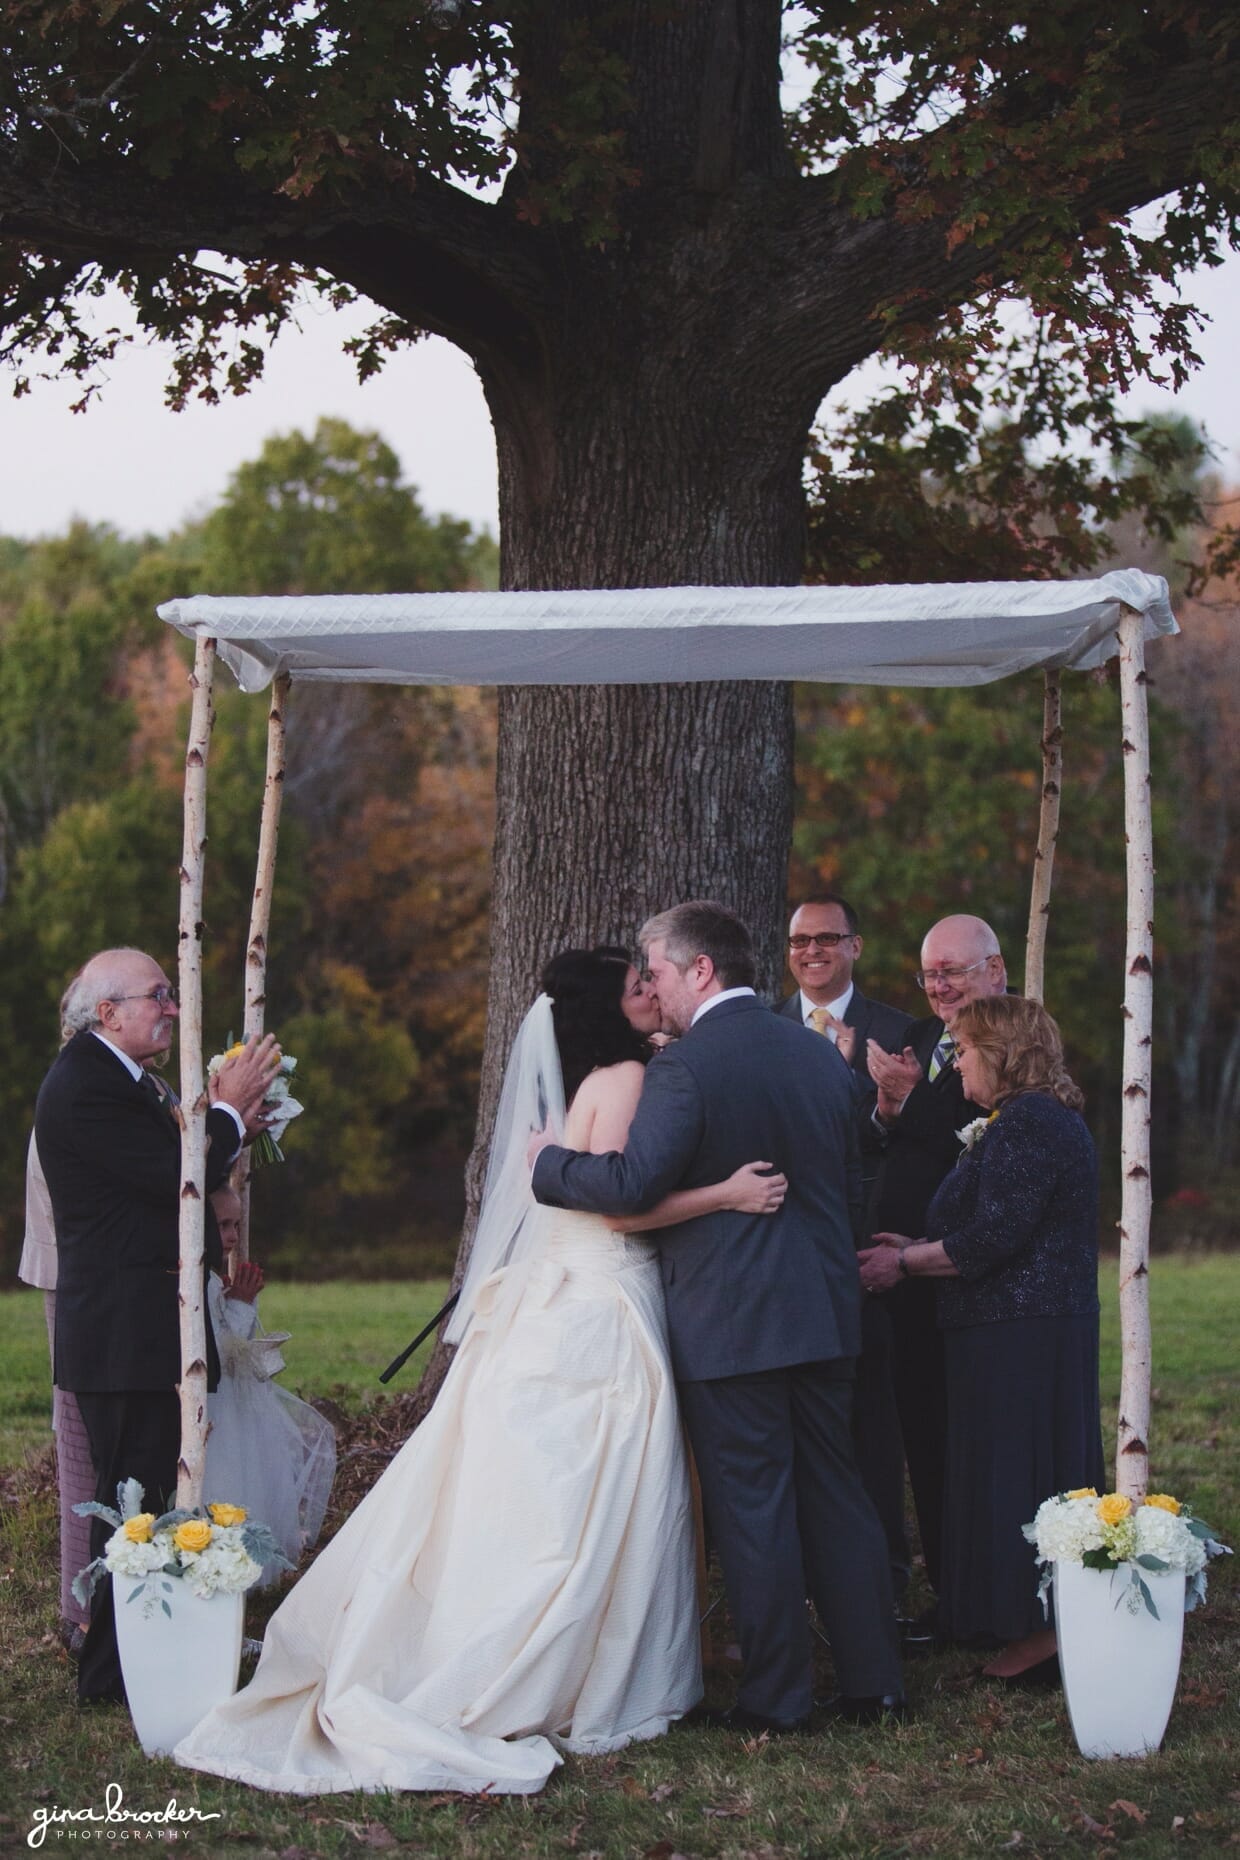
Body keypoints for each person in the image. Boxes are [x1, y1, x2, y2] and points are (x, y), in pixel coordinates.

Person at [175, 946, 787, 1794]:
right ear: (607, 1009)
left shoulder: (589, 1080)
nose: (650, 992)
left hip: (553, 1296)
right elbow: (615, 1213)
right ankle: (566, 1663)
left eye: (652, 980)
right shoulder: (626, 1079)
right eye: (635, 985)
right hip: (602, 1301)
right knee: (594, 1488)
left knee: (528, 1489)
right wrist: (725, 1195)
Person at [533, 902, 904, 1734]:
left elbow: (630, 1186)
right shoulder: (817, 1057)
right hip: (823, 1309)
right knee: (838, 1495)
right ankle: (877, 1684)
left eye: (658, 972)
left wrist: (551, 1164)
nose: (652, 989)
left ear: (701, 970)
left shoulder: (686, 1067)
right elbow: (848, 1181)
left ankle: (778, 1701)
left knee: (755, 1506)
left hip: (733, 1320)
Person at [34, 946, 280, 1705]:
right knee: (129, 1507)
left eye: (172, 995)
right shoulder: (86, 1086)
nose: (172, 1007)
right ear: (107, 1012)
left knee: (144, 1506)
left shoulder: (126, 1080)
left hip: (146, 1330)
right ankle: (107, 1680)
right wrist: (231, 1107)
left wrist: (223, 1112)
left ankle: (134, 1661)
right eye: (159, 995)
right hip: (125, 1335)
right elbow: (178, 1172)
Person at [859, 995, 1104, 1683]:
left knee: (1022, 1476)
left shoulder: (1031, 1124)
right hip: (1004, 1329)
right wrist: (916, 1242)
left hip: (1023, 1336)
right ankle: (1015, 1621)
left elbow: (994, 1240)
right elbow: (996, 1227)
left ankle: (1044, 1635)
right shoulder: (1014, 1121)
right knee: (1004, 1473)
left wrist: (905, 1262)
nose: (956, 1062)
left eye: (963, 1050)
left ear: (999, 1052)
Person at [861, 913, 1007, 1608]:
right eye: (930, 974)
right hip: (901, 1273)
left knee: (970, 1438)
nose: (940, 986)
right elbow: (896, 1139)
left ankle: (979, 1587)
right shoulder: (914, 1040)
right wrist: (888, 1111)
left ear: (996, 971)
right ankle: (947, 1586)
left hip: (968, 1273)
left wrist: (910, 1101)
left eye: (954, 970)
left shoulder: (1014, 1044)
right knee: (918, 1429)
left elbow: (984, 1145)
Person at [778, 894, 914, 1603]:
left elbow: (913, 1148)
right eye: (800, 940)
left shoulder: (896, 1029)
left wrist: (887, 1103)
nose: (812, 951)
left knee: (871, 1431)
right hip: (783, 1254)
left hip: (871, 1255)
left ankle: (885, 1583)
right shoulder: (767, 1031)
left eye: (827, 938)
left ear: (854, 947)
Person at [204, 1186, 336, 1582]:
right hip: (217, 1408)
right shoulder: (204, 1284)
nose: (230, 1235)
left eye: (236, 1225)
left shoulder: (212, 1280)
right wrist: (241, 1306)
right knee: (225, 1477)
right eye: (222, 1225)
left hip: (229, 1405)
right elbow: (223, 1352)